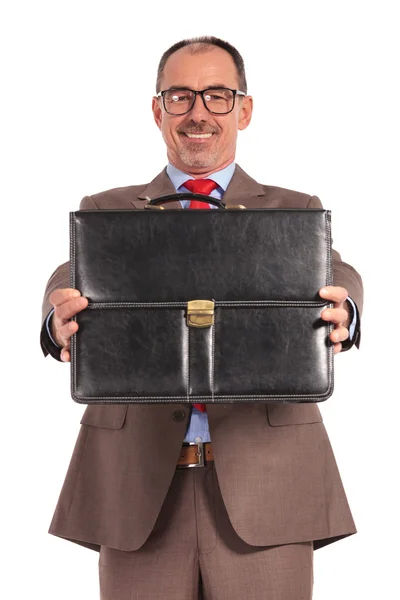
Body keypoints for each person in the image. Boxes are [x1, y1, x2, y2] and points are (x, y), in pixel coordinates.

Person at [41, 36, 363, 600]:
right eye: (180, 95)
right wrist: (54, 316)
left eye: (217, 95)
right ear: (157, 108)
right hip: (137, 492)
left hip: (269, 485)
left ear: (244, 109)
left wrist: (348, 307)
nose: (198, 113)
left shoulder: (295, 210)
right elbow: (70, 276)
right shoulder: (105, 211)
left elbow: (336, 270)